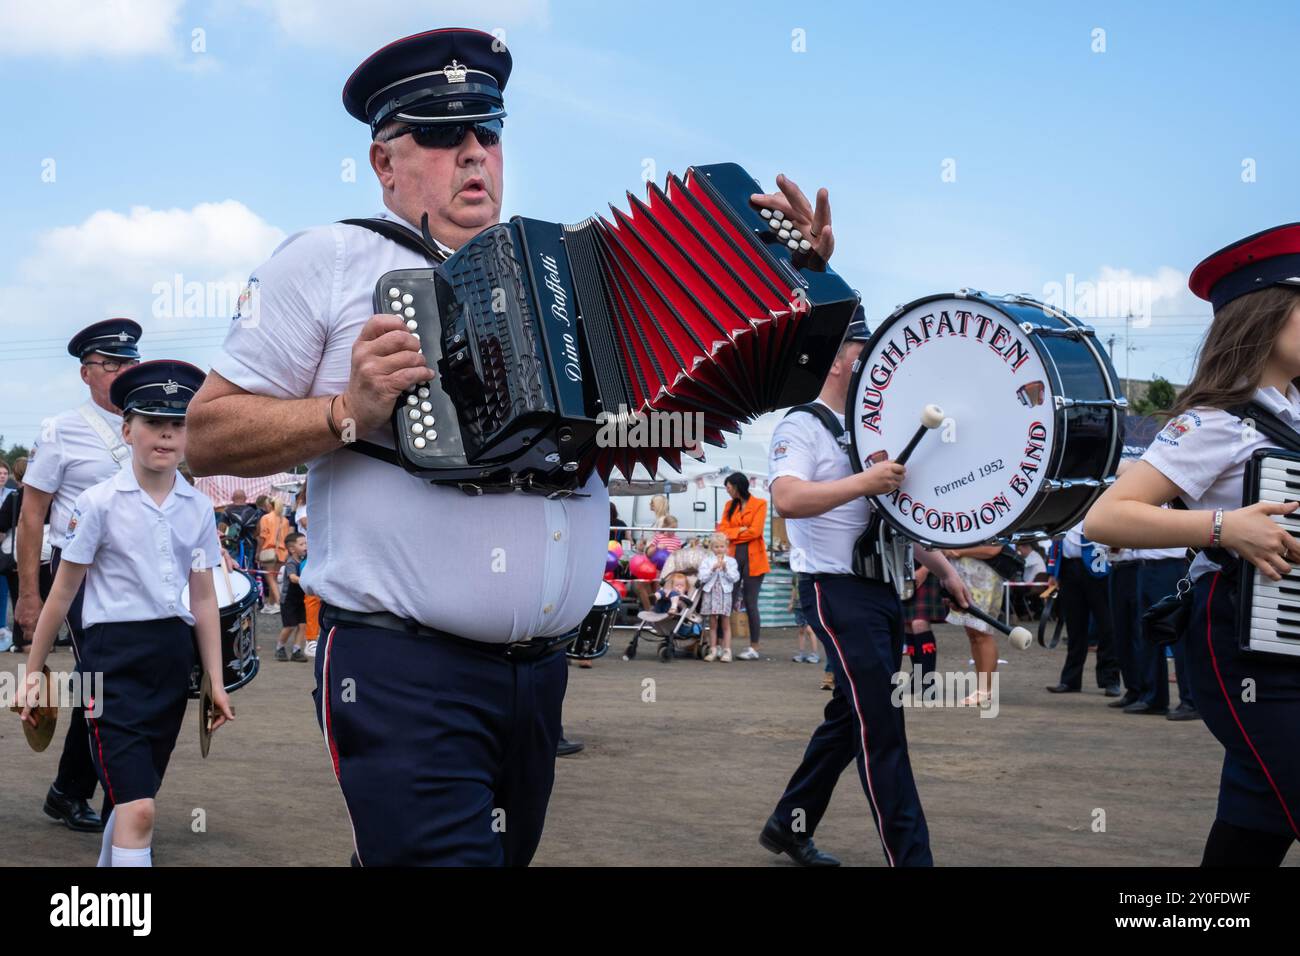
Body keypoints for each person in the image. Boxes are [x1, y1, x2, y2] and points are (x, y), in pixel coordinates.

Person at [188, 27, 838, 866]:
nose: (472, 154)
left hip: (539, 682)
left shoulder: (587, 281)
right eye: (439, 134)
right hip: (401, 672)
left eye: (487, 132)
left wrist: (793, 286)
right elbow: (204, 434)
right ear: (384, 162)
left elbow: (708, 394)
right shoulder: (329, 259)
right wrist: (345, 411)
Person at [1086, 222, 1300, 866]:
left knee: (1257, 816)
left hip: (1285, 638)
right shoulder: (1217, 422)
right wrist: (1224, 527)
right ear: (1266, 319)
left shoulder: (1293, 416)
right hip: (1235, 635)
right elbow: (1108, 517)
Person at [758, 311, 972, 868]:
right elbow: (787, 498)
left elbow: (892, 514)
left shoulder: (870, 430)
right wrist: (864, 480)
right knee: (881, 725)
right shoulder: (799, 426)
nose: (875, 359)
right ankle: (912, 859)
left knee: (850, 716)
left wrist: (946, 569)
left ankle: (788, 823)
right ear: (836, 358)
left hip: (881, 592)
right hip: (835, 591)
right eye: (863, 347)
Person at [17, 360, 234, 867]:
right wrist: (32, 674)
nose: (166, 434)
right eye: (153, 421)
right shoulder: (96, 503)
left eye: (178, 423)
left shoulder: (197, 508)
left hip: (170, 660)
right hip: (108, 662)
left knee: (133, 800)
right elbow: (63, 594)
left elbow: (202, 597)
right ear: (127, 428)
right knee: (139, 810)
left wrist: (215, 680)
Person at [17, 318, 144, 833]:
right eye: (110, 365)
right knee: (106, 677)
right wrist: (29, 594)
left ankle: (69, 790)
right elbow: (31, 516)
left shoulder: (153, 418)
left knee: (101, 680)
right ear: (86, 373)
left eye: (129, 363)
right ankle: (112, 799)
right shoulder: (61, 429)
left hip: (137, 572)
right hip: (79, 573)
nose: (122, 372)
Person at [1045, 519, 1122, 697]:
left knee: (1107, 626)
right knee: (1074, 628)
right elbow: (1056, 540)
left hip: (1099, 566)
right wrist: (1053, 572)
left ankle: (1110, 679)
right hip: (1068, 568)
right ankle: (1070, 680)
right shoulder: (1069, 511)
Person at [717, 472, 770, 659]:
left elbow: (756, 532)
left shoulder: (760, 504)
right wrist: (739, 530)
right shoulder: (729, 506)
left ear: (738, 486)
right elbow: (721, 530)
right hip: (732, 558)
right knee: (726, 601)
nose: (728, 491)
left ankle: (754, 647)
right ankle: (721, 645)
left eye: (729, 487)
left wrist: (733, 533)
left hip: (754, 559)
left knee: (750, 601)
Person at [699, 532, 741, 662]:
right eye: (716, 547)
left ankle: (727, 650)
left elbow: (735, 578)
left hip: (724, 594)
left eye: (722, 546)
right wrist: (712, 569)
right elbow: (702, 578)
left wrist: (725, 569)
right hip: (711, 593)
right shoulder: (707, 561)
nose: (719, 549)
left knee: (725, 623)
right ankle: (713, 649)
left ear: (726, 547)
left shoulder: (731, 561)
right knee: (712, 623)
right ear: (712, 548)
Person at [276, 532, 309, 661]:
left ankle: (296, 650)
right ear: (292, 549)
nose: (305, 546)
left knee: (302, 625)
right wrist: (304, 580)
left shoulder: (303, 560)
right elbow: (292, 578)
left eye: (306, 543)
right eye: (302, 544)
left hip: (299, 598)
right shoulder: (291, 562)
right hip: (288, 599)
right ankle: (280, 647)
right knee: (289, 626)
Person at [257, 498, 290, 612]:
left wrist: (258, 552)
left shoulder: (266, 518)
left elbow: (263, 536)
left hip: (269, 551)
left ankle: (280, 603)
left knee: (270, 578)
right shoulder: (285, 520)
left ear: (270, 506)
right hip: (283, 552)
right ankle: (271, 604)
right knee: (274, 578)